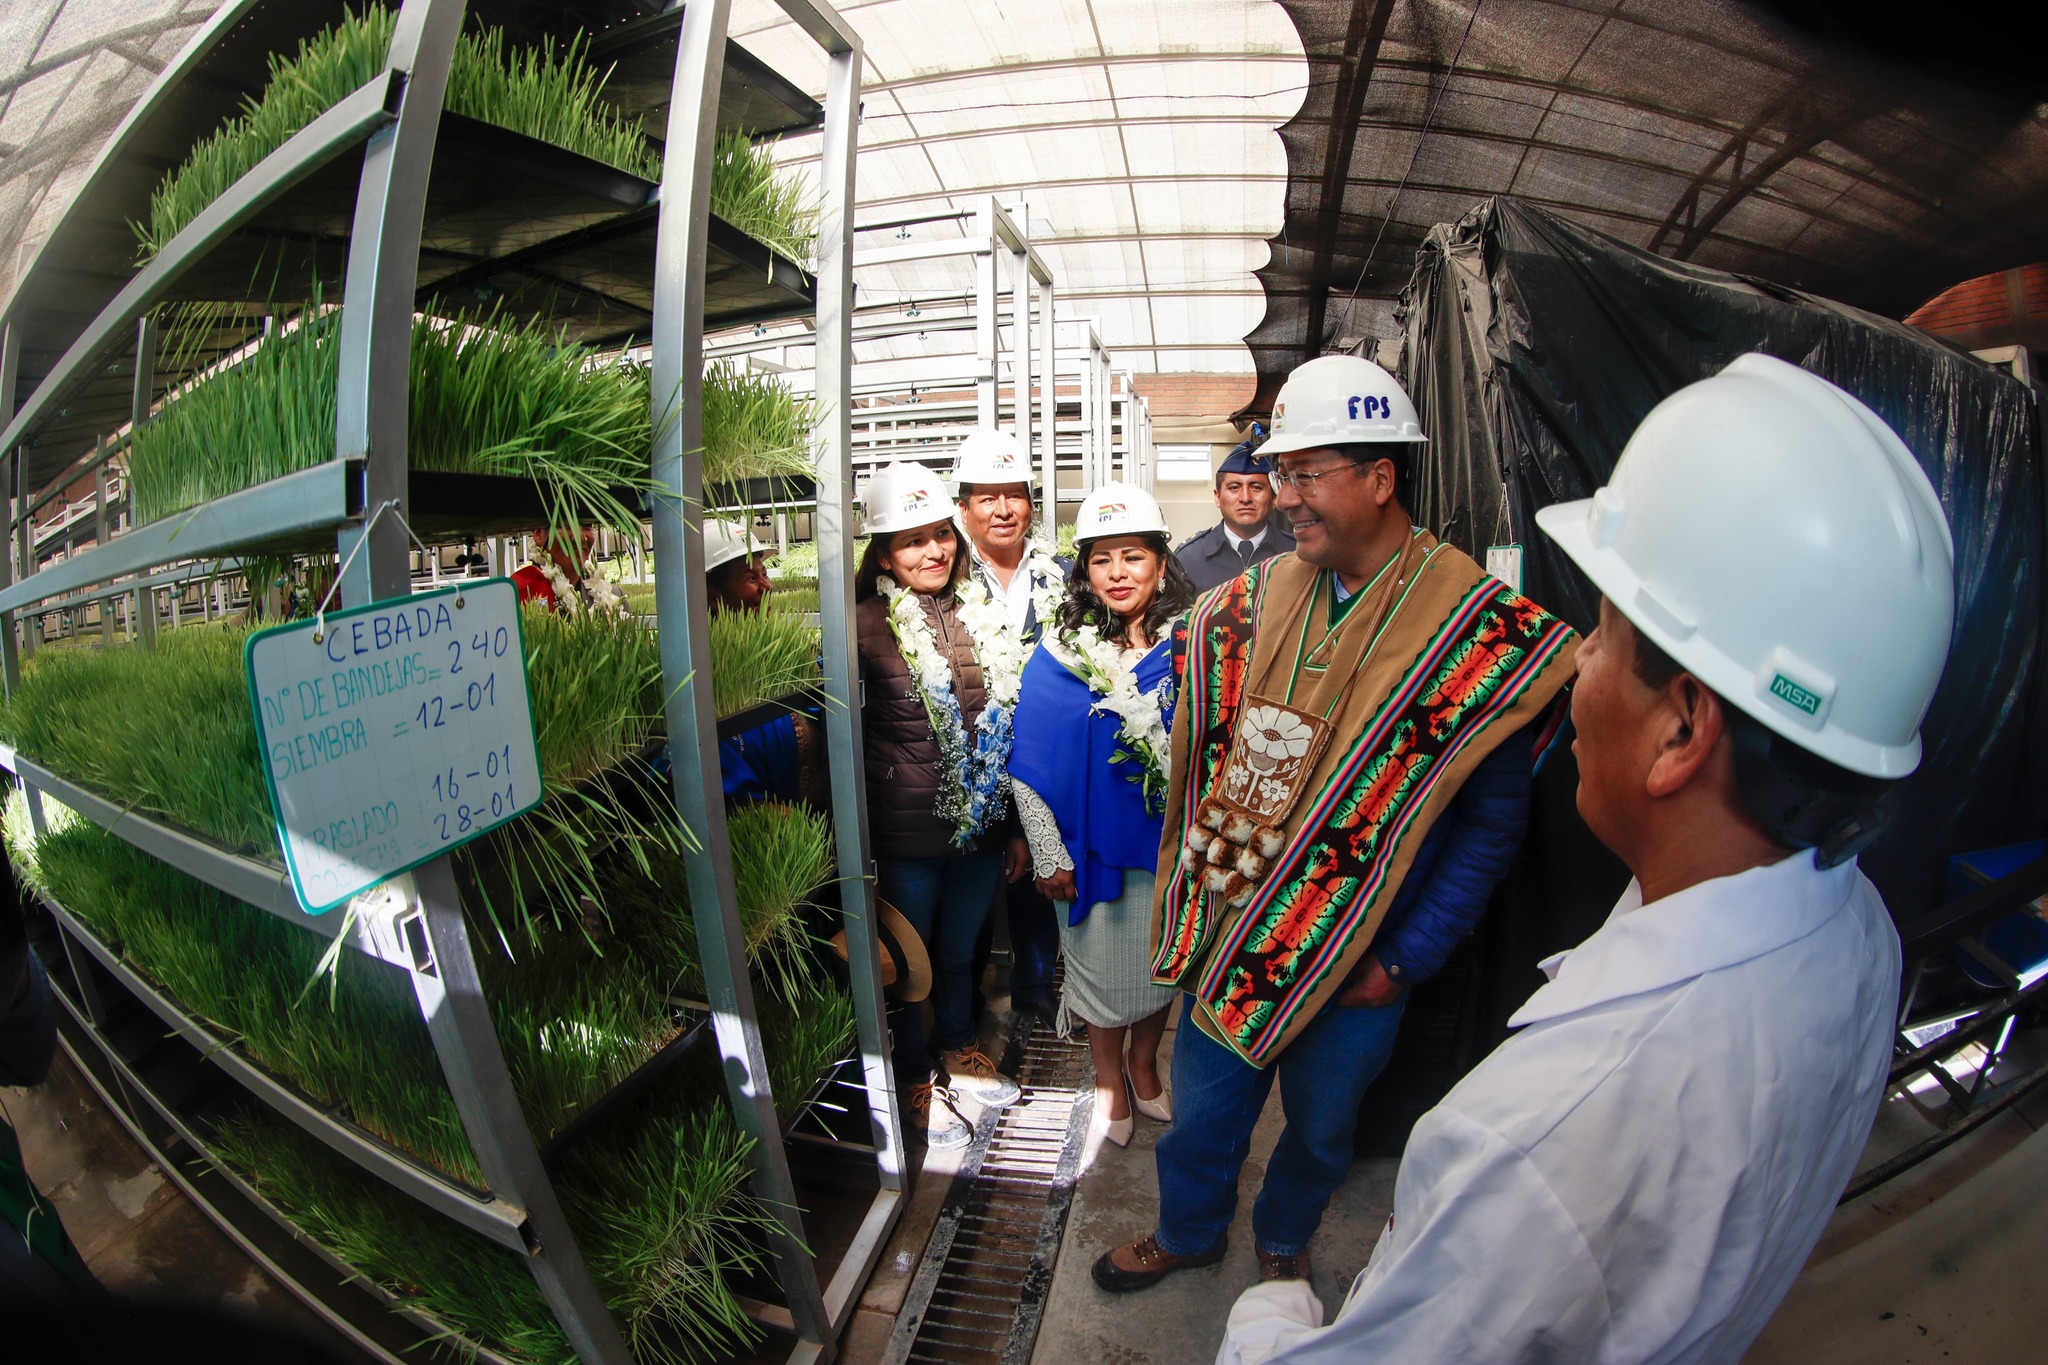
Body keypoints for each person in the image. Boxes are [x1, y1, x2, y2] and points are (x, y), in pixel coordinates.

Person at [1217, 354, 1955, 1364]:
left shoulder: (1536, 1133)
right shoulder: (1859, 937)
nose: (1574, 666)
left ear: (1681, 729)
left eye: (1601, 638)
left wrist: (1267, 1315)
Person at [1092, 355, 1580, 1293]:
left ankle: (1283, 1237)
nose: (1283, 498)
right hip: (1233, 932)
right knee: (1203, 1116)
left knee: (1321, 1130)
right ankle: (1190, 1230)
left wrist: (1402, 959)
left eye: (1304, 474)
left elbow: (1490, 830)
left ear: (1380, 476)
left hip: (1358, 959)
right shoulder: (1251, 601)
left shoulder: (1476, 632)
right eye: (1279, 474)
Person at [1010, 484, 1195, 1146]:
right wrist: (1048, 851)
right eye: (1101, 559)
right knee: (1100, 970)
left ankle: (1145, 1066)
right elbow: (1028, 759)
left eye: (1133, 556)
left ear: (1160, 564)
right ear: (1084, 571)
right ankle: (1109, 1080)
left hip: (1171, 848)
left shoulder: (1191, 644)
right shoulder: (1060, 653)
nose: (1118, 573)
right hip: (1088, 851)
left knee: (1162, 965)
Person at [855, 461, 1027, 1151]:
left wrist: (1012, 827)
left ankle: (960, 1049)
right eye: (912, 540)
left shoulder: (980, 613)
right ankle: (913, 1076)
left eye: (940, 535)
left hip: (978, 831)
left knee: (959, 952)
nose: (934, 551)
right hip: (905, 839)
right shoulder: (860, 626)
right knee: (907, 967)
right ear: (884, 555)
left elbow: (1008, 725)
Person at [952, 427, 1068, 1024]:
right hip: (967, 765)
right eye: (987, 497)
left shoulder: (1064, 575)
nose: (1003, 509)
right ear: (963, 508)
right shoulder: (944, 577)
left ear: (1031, 502)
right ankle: (965, 1010)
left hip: (1045, 759)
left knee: (1040, 885)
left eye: (1015, 495)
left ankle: (1035, 993)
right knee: (971, 896)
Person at [704, 518, 809, 805]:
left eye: (764, 573)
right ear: (712, 597)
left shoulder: (786, 651)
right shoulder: (702, 673)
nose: (767, 586)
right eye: (751, 579)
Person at [1174, 431, 1296, 593]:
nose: (1245, 498)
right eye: (1234, 488)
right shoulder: (1189, 558)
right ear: (1217, 497)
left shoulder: (1296, 552)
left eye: (1256, 488)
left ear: (1274, 497)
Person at [512, 524, 624, 614]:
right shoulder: (514, 596)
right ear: (539, 534)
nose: (580, 537)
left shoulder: (614, 600)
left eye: (587, 525)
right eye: (566, 525)